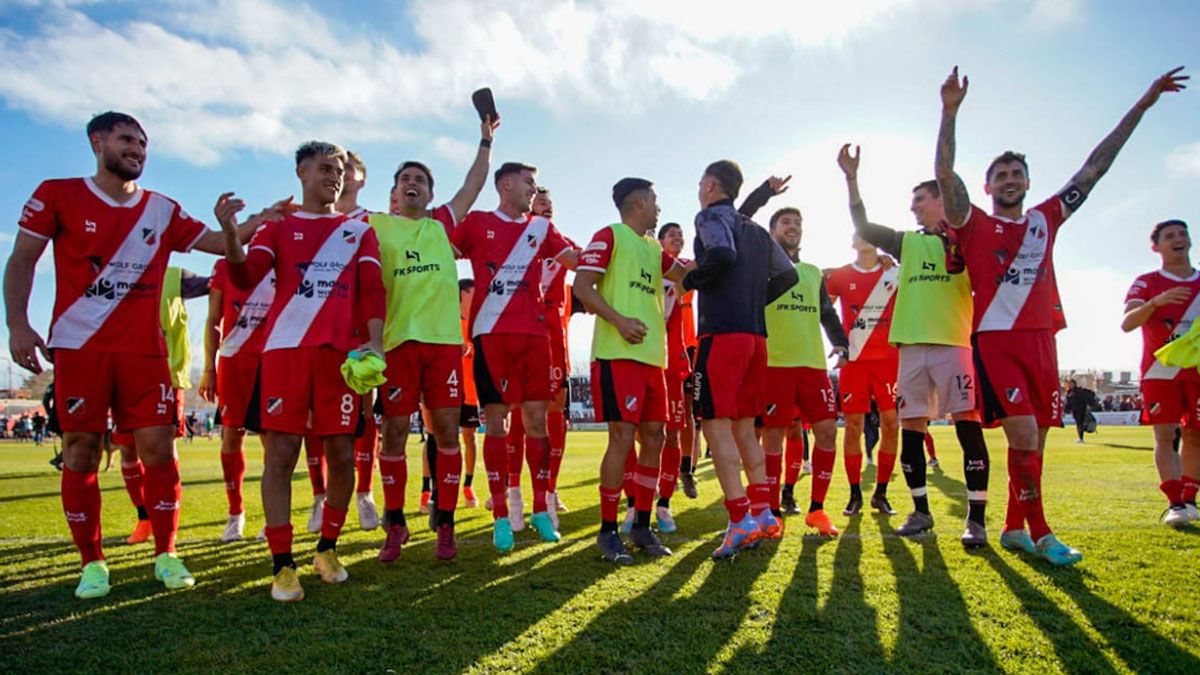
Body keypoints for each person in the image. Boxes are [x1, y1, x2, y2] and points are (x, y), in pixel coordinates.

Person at [5, 111, 265, 599]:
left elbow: (218, 247)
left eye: (143, 144)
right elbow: (21, 259)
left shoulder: (161, 209)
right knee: (81, 452)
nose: (137, 150)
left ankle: (166, 553)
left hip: (145, 354)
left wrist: (238, 225)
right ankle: (92, 564)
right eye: (127, 140)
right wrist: (18, 323)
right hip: (80, 347)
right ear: (96, 141)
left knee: (159, 450)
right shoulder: (57, 194)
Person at [935, 65, 1188, 563]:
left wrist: (1142, 104)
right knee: (1025, 436)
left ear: (1028, 182)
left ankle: (1012, 528)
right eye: (1000, 176)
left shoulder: (1045, 218)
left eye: (1016, 174)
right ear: (987, 189)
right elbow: (946, 176)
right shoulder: (973, 222)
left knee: (1036, 446)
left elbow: (1096, 167)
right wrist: (949, 112)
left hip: (1043, 342)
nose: (1009, 180)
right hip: (995, 342)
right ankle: (1045, 533)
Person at [216, 140, 386, 601]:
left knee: (344, 457)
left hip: (340, 360)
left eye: (340, 170)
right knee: (281, 456)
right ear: (302, 173)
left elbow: (372, 290)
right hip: (285, 353)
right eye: (325, 168)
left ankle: (327, 549)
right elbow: (246, 276)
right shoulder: (278, 226)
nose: (335, 176)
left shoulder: (359, 230)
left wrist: (375, 344)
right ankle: (282, 564)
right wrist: (232, 233)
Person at [837, 144, 990, 547]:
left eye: (920, 200)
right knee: (911, 430)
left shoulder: (969, 240)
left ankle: (976, 520)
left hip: (953, 344)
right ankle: (921, 512)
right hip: (910, 350)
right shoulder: (908, 243)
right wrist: (851, 178)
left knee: (967, 427)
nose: (914, 209)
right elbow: (866, 227)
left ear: (942, 199)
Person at [370, 112, 496, 562]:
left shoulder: (442, 223)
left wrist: (485, 140)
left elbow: (474, 185)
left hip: (443, 346)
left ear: (430, 192)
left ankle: (445, 522)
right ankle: (395, 523)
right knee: (395, 435)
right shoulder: (376, 226)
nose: (412, 184)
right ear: (395, 192)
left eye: (420, 179)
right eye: (405, 178)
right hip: (397, 344)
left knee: (446, 435)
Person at [450, 161, 578, 552]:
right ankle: (502, 515)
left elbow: (576, 258)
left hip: (535, 336)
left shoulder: (540, 228)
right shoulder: (475, 223)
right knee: (498, 424)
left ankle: (541, 508)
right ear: (505, 184)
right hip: (491, 335)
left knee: (537, 420)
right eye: (528, 183)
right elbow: (440, 255)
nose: (533, 191)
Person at [682, 160, 799, 559]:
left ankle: (738, 520)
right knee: (746, 428)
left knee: (715, 426)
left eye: (701, 181)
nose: (699, 188)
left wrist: (690, 280)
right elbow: (788, 276)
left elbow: (721, 254)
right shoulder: (755, 229)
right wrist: (754, 301)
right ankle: (764, 511)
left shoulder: (710, 216)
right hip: (755, 339)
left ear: (711, 184)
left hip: (722, 335)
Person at [574, 177, 690, 562]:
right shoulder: (609, 236)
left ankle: (642, 524)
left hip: (654, 358)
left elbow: (686, 276)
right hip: (616, 353)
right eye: (655, 200)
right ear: (639, 202)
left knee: (654, 436)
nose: (659, 207)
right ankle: (608, 531)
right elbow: (583, 287)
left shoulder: (653, 248)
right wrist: (620, 320)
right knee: (622, 436)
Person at [760, 207, 849, 536]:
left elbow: (827, 313)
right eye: (786, 222)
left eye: (798, 222)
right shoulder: (761, 270)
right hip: (775, 365)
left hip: (813, 367)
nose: (793, 227)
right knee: (773, 438)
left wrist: (841, 343)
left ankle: (817, 510)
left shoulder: (812, 273)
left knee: (827, 431)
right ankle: (772, 512)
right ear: (773, 231)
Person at [115, 266, 208, 543]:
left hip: (165, 376)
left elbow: (219, 281)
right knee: (127, 450)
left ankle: (167, 533)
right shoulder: (112, 271)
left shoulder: (174, 277)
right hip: (121, 374)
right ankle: (144, 518)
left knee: (164, 452)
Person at [1121, 219, 1200, 526]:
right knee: (1165, 435)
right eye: (1169, 236)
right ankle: (1175, 503)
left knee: (1195, 434)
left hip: (1196, 370)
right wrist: (1157, 302)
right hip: (1159, 371)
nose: (1178, 239)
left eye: (1182, 234)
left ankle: (1191, 499)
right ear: (1156, 246)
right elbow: (1127, 323)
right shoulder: (1148, 282)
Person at [825, 234, 900, 518]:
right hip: (854, 362)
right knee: (853, 426)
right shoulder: (840, 275)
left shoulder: (893, 272)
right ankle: (855, 493)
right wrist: (836, 340)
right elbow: (822, 307)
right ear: (852, 240)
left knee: (891, 425)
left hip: (890, 361)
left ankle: (881, 493)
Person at [335, 150, 381, 531]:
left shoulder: (374, 223)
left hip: (365, 333)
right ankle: (320, 498)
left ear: (362, 178)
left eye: (350, 168)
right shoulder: (310, 216)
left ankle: (365, 494)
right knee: (318, 420)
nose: (343, 173)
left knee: (365, 414)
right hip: (318, 332)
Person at [534, 187, 574, 528]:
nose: (547, 208)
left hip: (555, 338)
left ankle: (549, 490)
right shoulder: (516, 240)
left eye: (550, 204)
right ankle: (512, 493)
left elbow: (591, 260)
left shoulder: (563, 243)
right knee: (518, 416)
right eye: (540, 203)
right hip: (521, 333)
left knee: (555, 413)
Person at [654, 222, 696, 529]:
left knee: (678, 423)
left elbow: (712, 260)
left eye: (681, 235)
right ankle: (636, 502)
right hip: (644, 353)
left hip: (679, 355)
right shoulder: (646, 262)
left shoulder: (685, 269)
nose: (678, 239)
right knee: (639, 432)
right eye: (672, 235)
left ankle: (673, 489)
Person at [459, 279, 481, 508]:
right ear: (462, 294)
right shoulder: (446, 322)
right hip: (447, 389)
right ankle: (429, 491)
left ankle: (468, 486)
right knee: (439, 438)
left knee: (469, 438)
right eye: (472, 294)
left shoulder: (477, 325)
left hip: (470, 392)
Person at [1063, 379, 1099, 444]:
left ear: (1074, 384)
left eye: (1071, 383)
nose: (1069, 385)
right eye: (1068, 383)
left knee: (1080, 424)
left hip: (1081, 410)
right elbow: (1069, 403)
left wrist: (1088, 405)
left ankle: (1081, 438)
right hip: (1075, 411)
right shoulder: (1069, 392)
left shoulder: (1079, 391)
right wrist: (1065, 411)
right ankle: (1080, 438)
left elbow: (1088, 396)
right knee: (1079, 424)